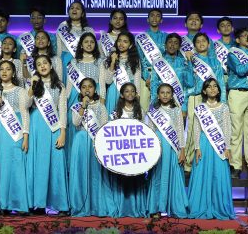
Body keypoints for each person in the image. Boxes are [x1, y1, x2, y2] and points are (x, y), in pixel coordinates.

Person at [0, 60, 31, 216]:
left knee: (16, 165)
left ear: (13, 72)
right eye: (1, 69)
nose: (4, 72)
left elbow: (25, 114)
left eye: (8, 69)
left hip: (15, 132)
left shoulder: (21, 91)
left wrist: (26, 136)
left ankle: (19, 204)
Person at [24, 55, 70, 215]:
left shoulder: (59, 86)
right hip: (36, 125)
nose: (42, 66)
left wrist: (63, 132)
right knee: (38, 164)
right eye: (39, 64)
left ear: (51, 65)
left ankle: (61, 205)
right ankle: (37, 204)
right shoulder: (33, 83)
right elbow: (26, 105)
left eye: (45, 63)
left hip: (54, 125)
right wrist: (32, 85)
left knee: (56, 164)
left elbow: (62, 109)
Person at [188, 79, 236, 220]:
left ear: (219, 90)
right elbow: (197, 128)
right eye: (209, 87)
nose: (212, 89)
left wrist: (227, 147)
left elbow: (227, 128)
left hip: (219, 145)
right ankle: (200, 206)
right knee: (202, 175)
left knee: (218, 175)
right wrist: (197, 147)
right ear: (204, 91)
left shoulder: (224, 107)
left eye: (215, 86)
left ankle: (219, 207)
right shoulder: (200, 108)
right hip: (203, 144)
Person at [67, 77, 114, 217]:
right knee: (81, 172)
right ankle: (80, 205)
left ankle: (97, 206)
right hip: (80, 142)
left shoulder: (101, 106)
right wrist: (83, 106)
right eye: (84, 87)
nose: (87, 89)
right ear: (80, 90)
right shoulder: (77, 106)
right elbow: (76, 122)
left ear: (95, 89)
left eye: (90, 87)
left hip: (95, 142)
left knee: (95, 173)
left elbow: (104, 126)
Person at [183, 32, 227, 172]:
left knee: (213, 129)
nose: (201, 43)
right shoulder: (191, 59)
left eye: (204, 41)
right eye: (198, 41)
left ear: (209, 44)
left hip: (213, 100)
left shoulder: (215, 62)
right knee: (192, 130)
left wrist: (223, 103)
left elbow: (220, 83)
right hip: (196, 97)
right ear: (194, 45)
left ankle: (209, 163)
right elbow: (188, 82)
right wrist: (189, 62)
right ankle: (188, 164)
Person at [145, 83, 189, 219]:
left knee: (171, 176)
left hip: (171, 147)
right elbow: (150, 131)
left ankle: (174, 207)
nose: (165, 95)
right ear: (158, 95)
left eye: (168, 92)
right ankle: (155, 208)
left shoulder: (176, 110)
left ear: (172, 95)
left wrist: (182, 150)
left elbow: (180, 132)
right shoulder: (153, 110)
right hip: (158, 147)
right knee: (157, 176)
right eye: (162, 92)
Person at [107, 82, 149, 218]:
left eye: (132, 91)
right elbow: (111, 132)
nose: (130, 93)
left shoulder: (140, 111)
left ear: (136, 94)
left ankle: (137, 207)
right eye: (126, 91)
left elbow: (146, 131)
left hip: (136, 152)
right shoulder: (116, 112)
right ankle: (121, 207)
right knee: (121, 177)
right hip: (121, 152)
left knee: (136, 177)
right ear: (121, 95)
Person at [64, 32, 105, 154]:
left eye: (92, 42)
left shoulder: (100, 62)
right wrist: (65, 102)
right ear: (81, 45)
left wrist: (102, 101)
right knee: (76, 126)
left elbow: (102, 83)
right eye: (86, 42)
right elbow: (69, 86)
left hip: (94, 97)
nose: (89, 44)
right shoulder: (73, 62)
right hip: (76, 98)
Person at [227, 28, 248, 177]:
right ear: (238, 40)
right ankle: (236, 165)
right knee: (236, 131)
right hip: (237, 93)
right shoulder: (233, 53)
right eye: (244, 35)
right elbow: (240, 70)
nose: (247, 37)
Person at [145, 33, 192, 113]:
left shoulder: (184, 63)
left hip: (179, 102)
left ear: (179, 47)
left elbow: (188, 85)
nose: (172, 45)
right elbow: (154, 84)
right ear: (165, 45)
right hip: (161, 103)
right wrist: (153, 104)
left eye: (176, 43)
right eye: (170, 42)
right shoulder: (158, 62)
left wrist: (184, 107)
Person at [102, 31, 143, 113]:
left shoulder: (135, 60)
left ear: (130, 45)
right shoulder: (109, 59)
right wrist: (113, 62)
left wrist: (137, 98)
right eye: (119, 41)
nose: (121, 44)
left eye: (125, 41)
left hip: (129, 93)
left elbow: (137, 80)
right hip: (113, 91)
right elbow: (108, 81)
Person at [57, 0, 95, 68]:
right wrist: (58, 65)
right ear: (69, 12)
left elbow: (93, 50)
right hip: (65, 62)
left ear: (82, 13)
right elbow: (58, 49)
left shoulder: (89, 30)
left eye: (77, 8)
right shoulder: (62, 27)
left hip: (83, 61)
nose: (74, 10)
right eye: (72, 8)